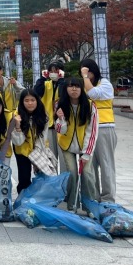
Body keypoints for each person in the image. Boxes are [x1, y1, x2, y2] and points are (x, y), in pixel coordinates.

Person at [55, 77, 99, 212]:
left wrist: (86, 154)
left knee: (87, 174)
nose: (74, 89)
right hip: (67, 145)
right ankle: (72, 204)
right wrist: (61, 118)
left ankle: (90, 206)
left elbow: (92, 131)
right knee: (72, 173)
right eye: (70, 86)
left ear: (82, 89)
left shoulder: (90, 105)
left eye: (77, 86)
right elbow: (60, 130)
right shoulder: (60, 104)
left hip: (84, 145)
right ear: (66, 89)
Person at [80, 59, 117, 202]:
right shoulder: (83, 86)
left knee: (106, 163)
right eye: (83, 71)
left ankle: (108, 198)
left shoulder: (105, 84)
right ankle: (93, 197)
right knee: (90, 166)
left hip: (104, 127)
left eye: (87, 71)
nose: (85, 74)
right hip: (88, 130)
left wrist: (84, 77)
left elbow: (94, 94)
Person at [11, 89, 49, 193]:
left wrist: (38, 153)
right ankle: (22, 203)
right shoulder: (16, 116)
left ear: (37, 100)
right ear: (22, 102)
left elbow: (43, 136)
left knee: (42, 176)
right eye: (26, 100)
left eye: (32, 100)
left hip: (38, 148)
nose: (30, 103)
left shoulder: (43, 114)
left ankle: (39, 202)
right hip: (22, 150)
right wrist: (18, 126)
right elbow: (18, 142)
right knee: (24, 179)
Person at [35, 61, 66, 168]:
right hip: (48, 125)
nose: (53, 73)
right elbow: (37, 92)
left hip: (62, 126)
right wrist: (42, 78)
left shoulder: (65, 84)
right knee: (50, 157)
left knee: (64, 159)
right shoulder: (45, 84)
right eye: (51, 70)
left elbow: (63, 94)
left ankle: (64, 182)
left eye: (56, 70)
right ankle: (52, 181)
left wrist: (61, 80)